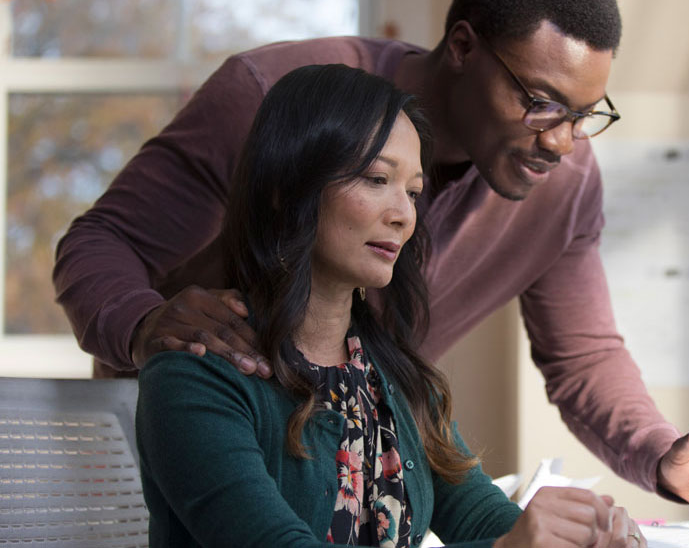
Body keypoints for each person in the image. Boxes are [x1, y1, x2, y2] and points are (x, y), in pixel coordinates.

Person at [55, 0, 689, 507]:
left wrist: (664, 461)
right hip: (189, 447)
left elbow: (583, 358)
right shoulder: (272, 99)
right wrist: (145, 326)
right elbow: (100, 243)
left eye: (583, 116)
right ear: (461, 47)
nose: (561, 141)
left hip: (360, 464)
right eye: (541, 102)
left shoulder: (562, 185)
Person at [136, 63, 645, 548]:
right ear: (284, 187)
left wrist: (576, 535)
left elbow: (479, 513)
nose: (404, 215)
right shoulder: (195, 378)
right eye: (378, 180)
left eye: (414, 191)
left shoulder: (394, 376)